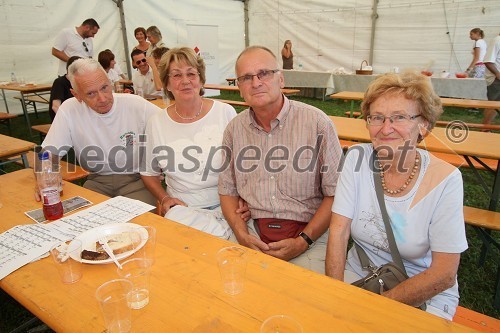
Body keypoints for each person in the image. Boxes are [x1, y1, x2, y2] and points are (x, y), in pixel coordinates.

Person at [325, 71, 468, 320]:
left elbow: (444, 274)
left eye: (399, 117)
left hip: (422, 291)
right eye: (377, 118)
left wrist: (377, 307)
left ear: (423, 125)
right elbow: (338, 231)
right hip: (360, 272)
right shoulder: (357, 158)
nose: (385, 128)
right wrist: (336, 294)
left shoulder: (445, 179)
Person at [218, 46, 342, 273]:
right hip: (252, 232)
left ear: (281, 79)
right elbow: (227, 190)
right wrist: (241, 233)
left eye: (264, 73)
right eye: (246, 77)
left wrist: (303, 241)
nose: (255, 83)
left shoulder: (317, 123)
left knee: (307, 301)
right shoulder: (234, 129)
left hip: (309, 234)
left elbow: (336, 194)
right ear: (239, 88)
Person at [140, 47, 248, 238]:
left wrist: (245, 198)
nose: (185, 81)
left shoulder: (225, 112)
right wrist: (164, 198)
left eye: (191, 73)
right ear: (167, 84)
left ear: (201, 79)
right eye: (176, 75)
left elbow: (244, 165)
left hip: (229, 205)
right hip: (185, 211)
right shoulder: (156, 123)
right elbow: (148, 173)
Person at [40, 58, 160, 206]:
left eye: (104, 87)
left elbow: (170, 126)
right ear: (76, 95)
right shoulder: (69, 109)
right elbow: (48, 153)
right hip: (96, 181)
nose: (102, 99)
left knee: (141, 220)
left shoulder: (135, 104)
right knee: (83, 222)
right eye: (91, 93)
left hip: (137, 180)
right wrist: (44, 178)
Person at [48, 56, 81, 121]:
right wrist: (68, 121)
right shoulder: (59, 82)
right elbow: (55, 107)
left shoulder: (79, 82)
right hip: (63, 119)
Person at [482, 33, 500, 125]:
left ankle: (485, 127)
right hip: (496, 79)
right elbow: (488, 61)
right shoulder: (497, 40)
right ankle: (485, 128)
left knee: (493, 105)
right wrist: (497, 74)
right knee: (494, 105)